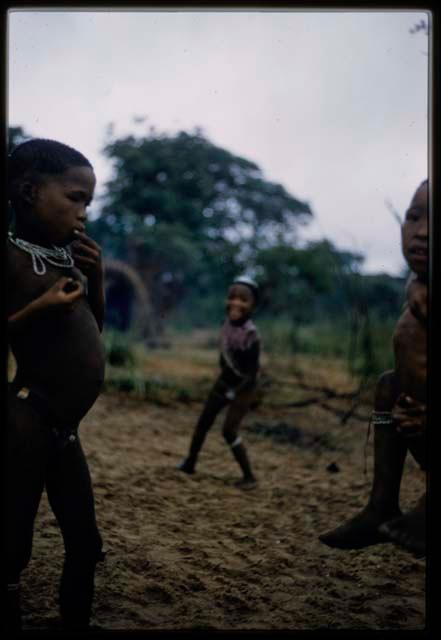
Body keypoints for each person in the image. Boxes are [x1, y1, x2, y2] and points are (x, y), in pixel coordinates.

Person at [6, 138, 107, 631]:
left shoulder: (68, 258)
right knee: (11, 545)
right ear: (28, 192)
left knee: (85, 544)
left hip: (65, 428)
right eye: (75, 198)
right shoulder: (8, 258)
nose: (83, 212)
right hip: (26, 418)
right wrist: (37, 310)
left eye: (88, 201)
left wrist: (99, 279)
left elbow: (94, 333)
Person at [319, 180, 428, 557]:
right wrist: (415, 284)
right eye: (414, 217)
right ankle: (381, 504)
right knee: (387, 386)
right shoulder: (422, 282)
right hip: (417, 421)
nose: (423, 231)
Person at [177, 276, 261, 489]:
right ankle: (190, 462)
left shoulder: (251, 335)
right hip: (224, 382)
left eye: (243, 300)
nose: (235, 303)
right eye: (232, 297)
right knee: (204, 421)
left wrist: (234, 392)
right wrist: (223, 382)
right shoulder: (225, 324)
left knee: (229, 431)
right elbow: (224, 358)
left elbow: (251, 373)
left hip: (243, 388)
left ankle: (249, 477)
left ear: (253, 305)